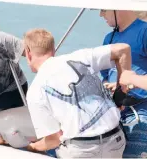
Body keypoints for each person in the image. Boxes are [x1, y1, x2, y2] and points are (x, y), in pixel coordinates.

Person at [23, 29, 132, 158]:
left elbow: (54, 139)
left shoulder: (35, 89)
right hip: (115, 141)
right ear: (53, 49)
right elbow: (123, 49)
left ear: (28, 53)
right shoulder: (79, 57)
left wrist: (32, 147)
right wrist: (121, 95)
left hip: (81, 150)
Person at [100, 10, 147, 157]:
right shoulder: (109, 38)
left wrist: (131, 83)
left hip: (141, 110)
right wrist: (110, 85)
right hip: (115, 111)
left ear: (118, 8)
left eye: (103, 10)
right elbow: (104, 75)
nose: (100, 15)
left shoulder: (144, 32)